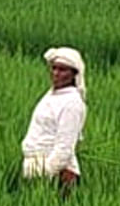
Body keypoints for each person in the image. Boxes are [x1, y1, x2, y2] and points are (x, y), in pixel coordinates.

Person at [20, 47, 87, 193]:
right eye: (54, 68)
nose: (56, 74)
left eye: (63, 70)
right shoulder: (52, 95)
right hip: (36, 168)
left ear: (74, 74)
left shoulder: (72, 103)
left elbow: (64, 148)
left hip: (58, 175)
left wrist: (45, 173)